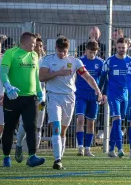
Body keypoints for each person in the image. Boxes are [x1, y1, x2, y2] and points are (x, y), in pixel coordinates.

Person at [39, 37, 103, 170]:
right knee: (56, 127)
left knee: (63, 130)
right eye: (59, 51)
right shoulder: (48, 60)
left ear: (69, 50)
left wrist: (97, 90)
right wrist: (58, 73)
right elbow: (42, 77)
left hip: (69, 97)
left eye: (64, 51)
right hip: (53, 96)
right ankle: (57, 160)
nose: (62, 53)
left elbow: (87, 77)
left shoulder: (75, 61)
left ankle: (60, 158)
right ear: (55, 48)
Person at [0, 32, 46, 167]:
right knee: (9, 128)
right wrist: (8, 87)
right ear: (24, 43)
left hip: (31, 98)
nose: (35, 46)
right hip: (13, 97)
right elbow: (3, 73)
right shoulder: (11, 53)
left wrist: (39, 93)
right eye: (33, 44)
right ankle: (6, 156)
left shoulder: (35, 55)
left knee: (31, 127)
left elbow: (36, 76)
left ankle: (32, 156)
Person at [99, 37, 131, 158]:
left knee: (118, 122)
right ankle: (120, 148)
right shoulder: (109, 61)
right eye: (119, 47)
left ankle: (111, 148)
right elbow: (102, 78)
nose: (121, 50)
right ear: (115, 47)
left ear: (127, 47)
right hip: (113, 95)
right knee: (117, 120)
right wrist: (101, 92)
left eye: (123, 47)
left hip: (125, 95)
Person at [74, 40, 105, 156]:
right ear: (86, 50)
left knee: (91, 122)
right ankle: (80, 147)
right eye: (90, 52)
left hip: (93, 96)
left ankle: (87, 148)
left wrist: (102, 93)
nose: (92, 55)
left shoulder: (100, 62)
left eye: (94, 52)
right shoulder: (80, 62)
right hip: (81, 95)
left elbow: (103, 79)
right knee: (80, 119)